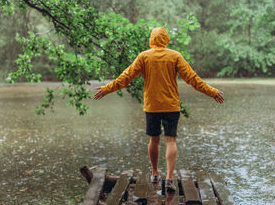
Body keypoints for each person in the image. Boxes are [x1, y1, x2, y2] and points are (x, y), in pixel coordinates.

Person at [94, 27, 224, 192]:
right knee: (171, 141)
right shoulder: (175, 56)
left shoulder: (144, 56)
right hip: (171, 106)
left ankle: (155, 173)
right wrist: (212, 92)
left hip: (152, 106)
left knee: (154, 140)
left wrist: (107, 88)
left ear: (152, 39)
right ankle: (169, 178)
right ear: (166, 39)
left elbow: (126, 77)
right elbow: (193, 79)